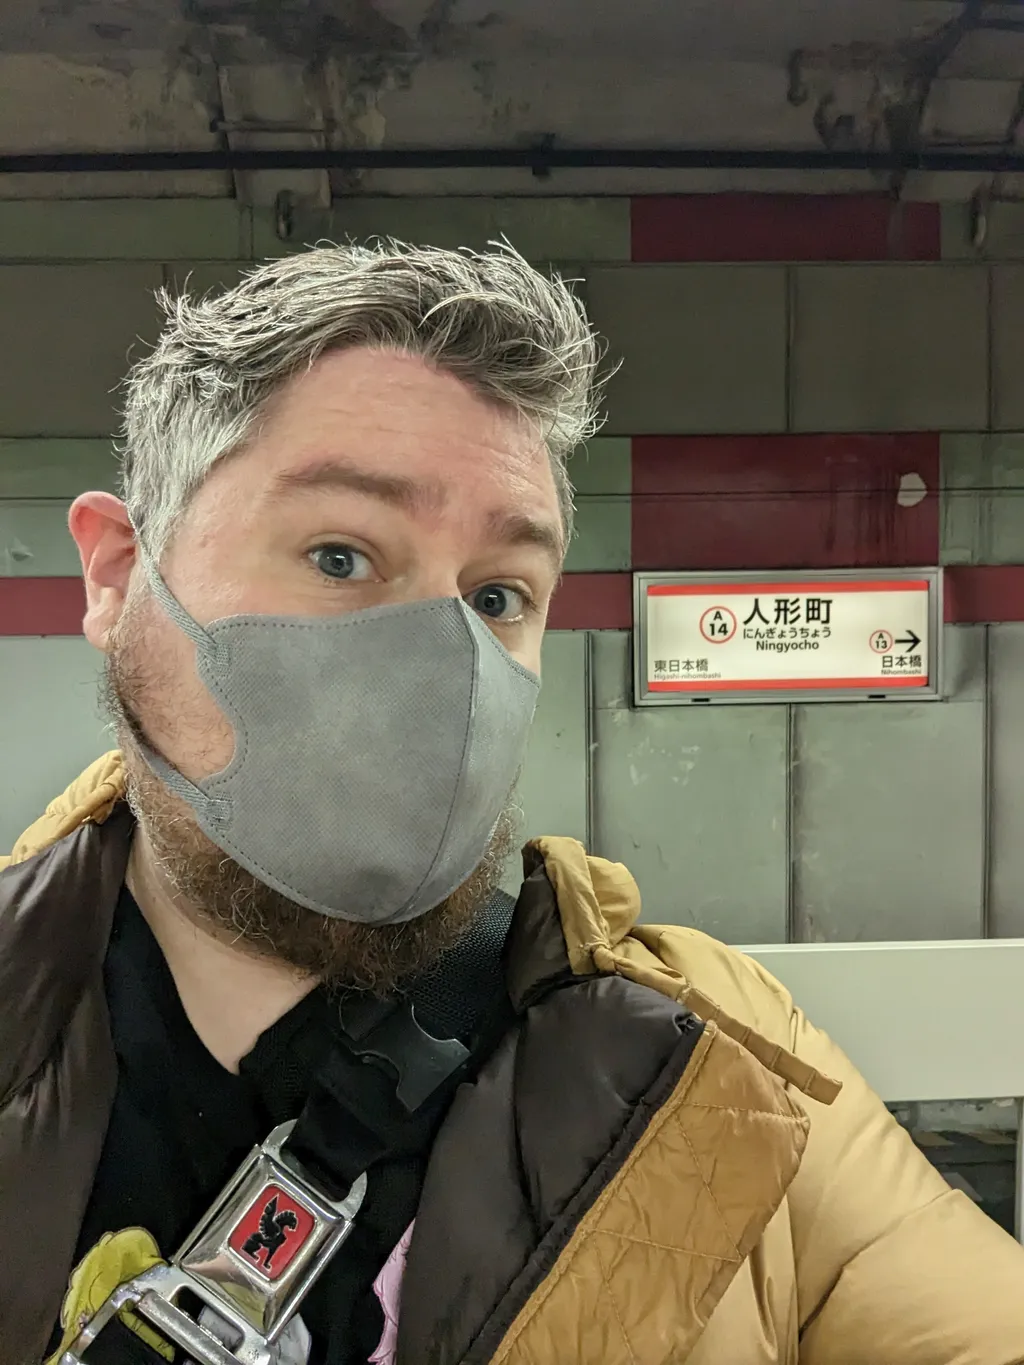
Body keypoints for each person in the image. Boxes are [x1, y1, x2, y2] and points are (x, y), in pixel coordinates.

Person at [2, 241, 1022, 1365]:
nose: (443, 661)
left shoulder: (717, 1072)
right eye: (340, 555)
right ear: (113, 576)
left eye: (496, 595)